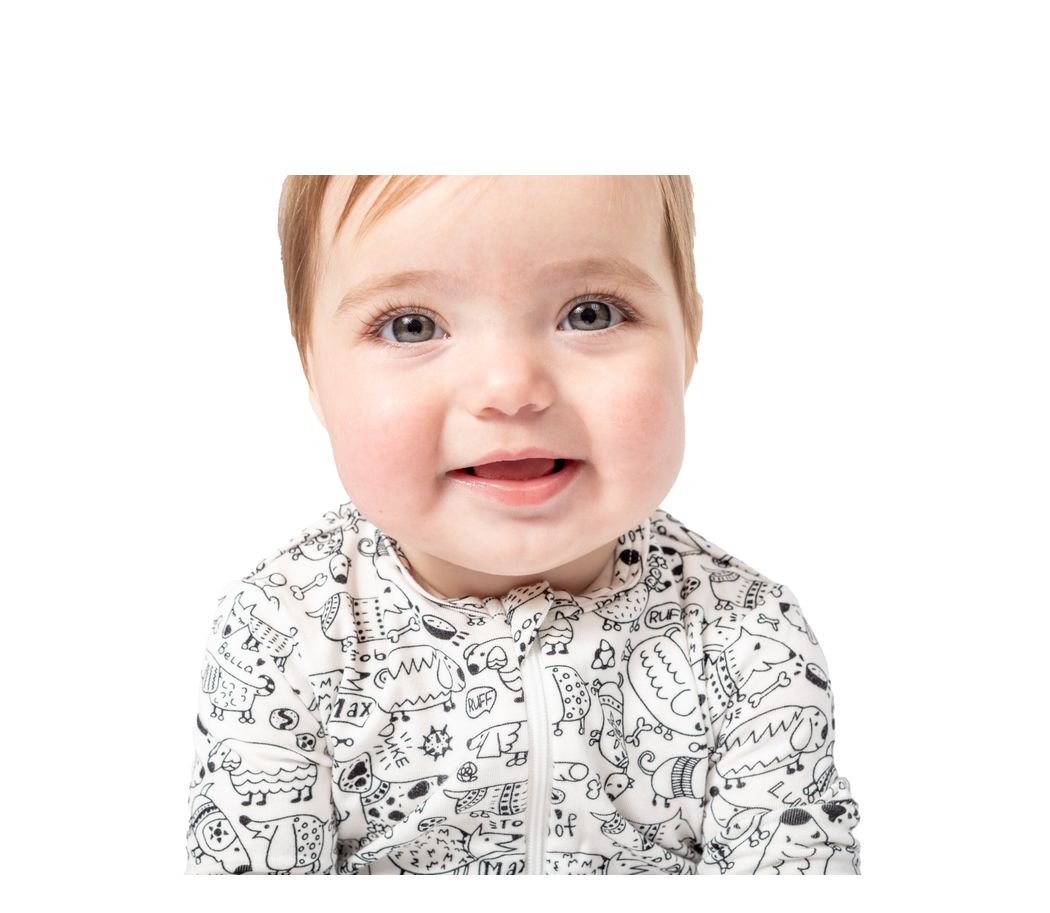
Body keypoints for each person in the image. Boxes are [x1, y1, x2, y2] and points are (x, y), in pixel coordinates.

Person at [184, 175, 861, 875]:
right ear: (312, 373)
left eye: (591, 314)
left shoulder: (748, 637)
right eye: (412, 326)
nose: (509, 388)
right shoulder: (280, 633)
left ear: (689, 339)